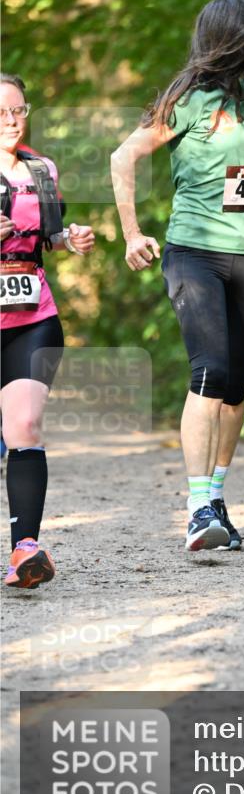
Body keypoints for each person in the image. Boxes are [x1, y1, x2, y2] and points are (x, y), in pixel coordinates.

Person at [111, 0, 244, 553]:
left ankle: (216, 498)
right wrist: (131, 233)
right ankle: (197, 510)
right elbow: (123, 157)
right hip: (194, 253)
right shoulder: (188, 98)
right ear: (236, 37)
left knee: (236, 388)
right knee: (210, 371)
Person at [1, 73, 95, 588]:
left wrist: (70, 238)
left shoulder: (41, 169)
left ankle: (25, 550)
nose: (12, 122)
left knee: (25, 429)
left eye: (19, 111)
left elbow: (48, 236)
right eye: (2, 114)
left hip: (30, 317)